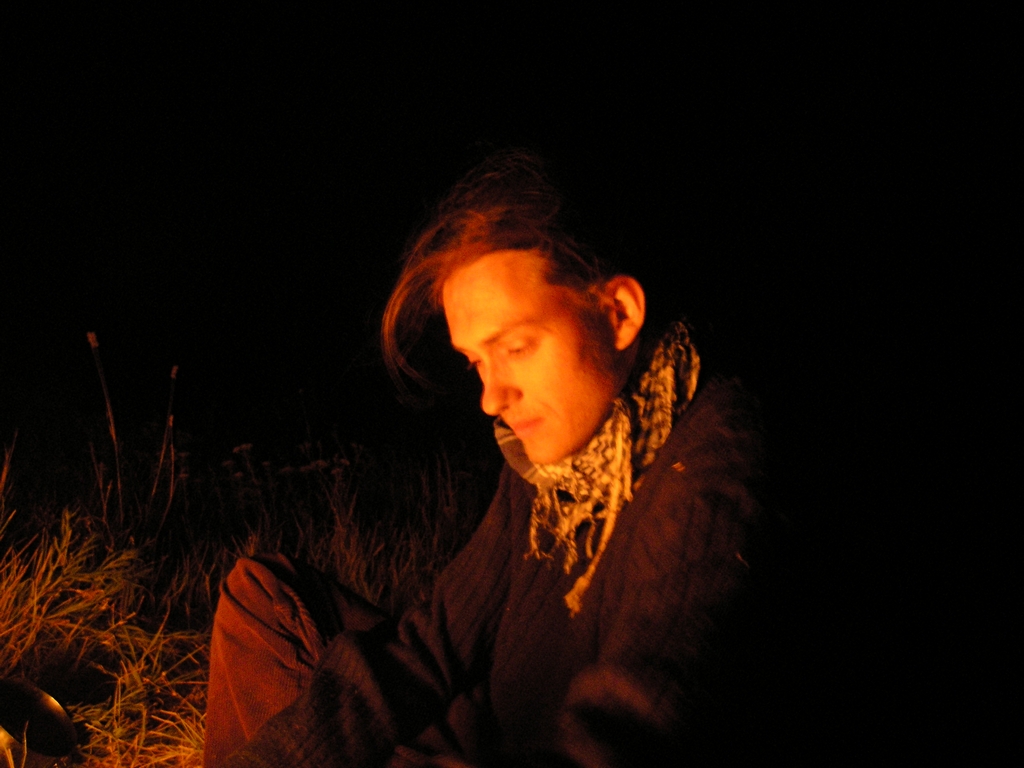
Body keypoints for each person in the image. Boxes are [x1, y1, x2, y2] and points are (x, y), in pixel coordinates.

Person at [203, 151, 764, 767]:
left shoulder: (714, 458)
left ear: (619, 313)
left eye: (516, 347)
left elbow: (631, 724)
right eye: (476, 361)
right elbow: (429, 647)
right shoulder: (552, 462)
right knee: (263, 596)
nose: (492, 398)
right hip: (486, 728)